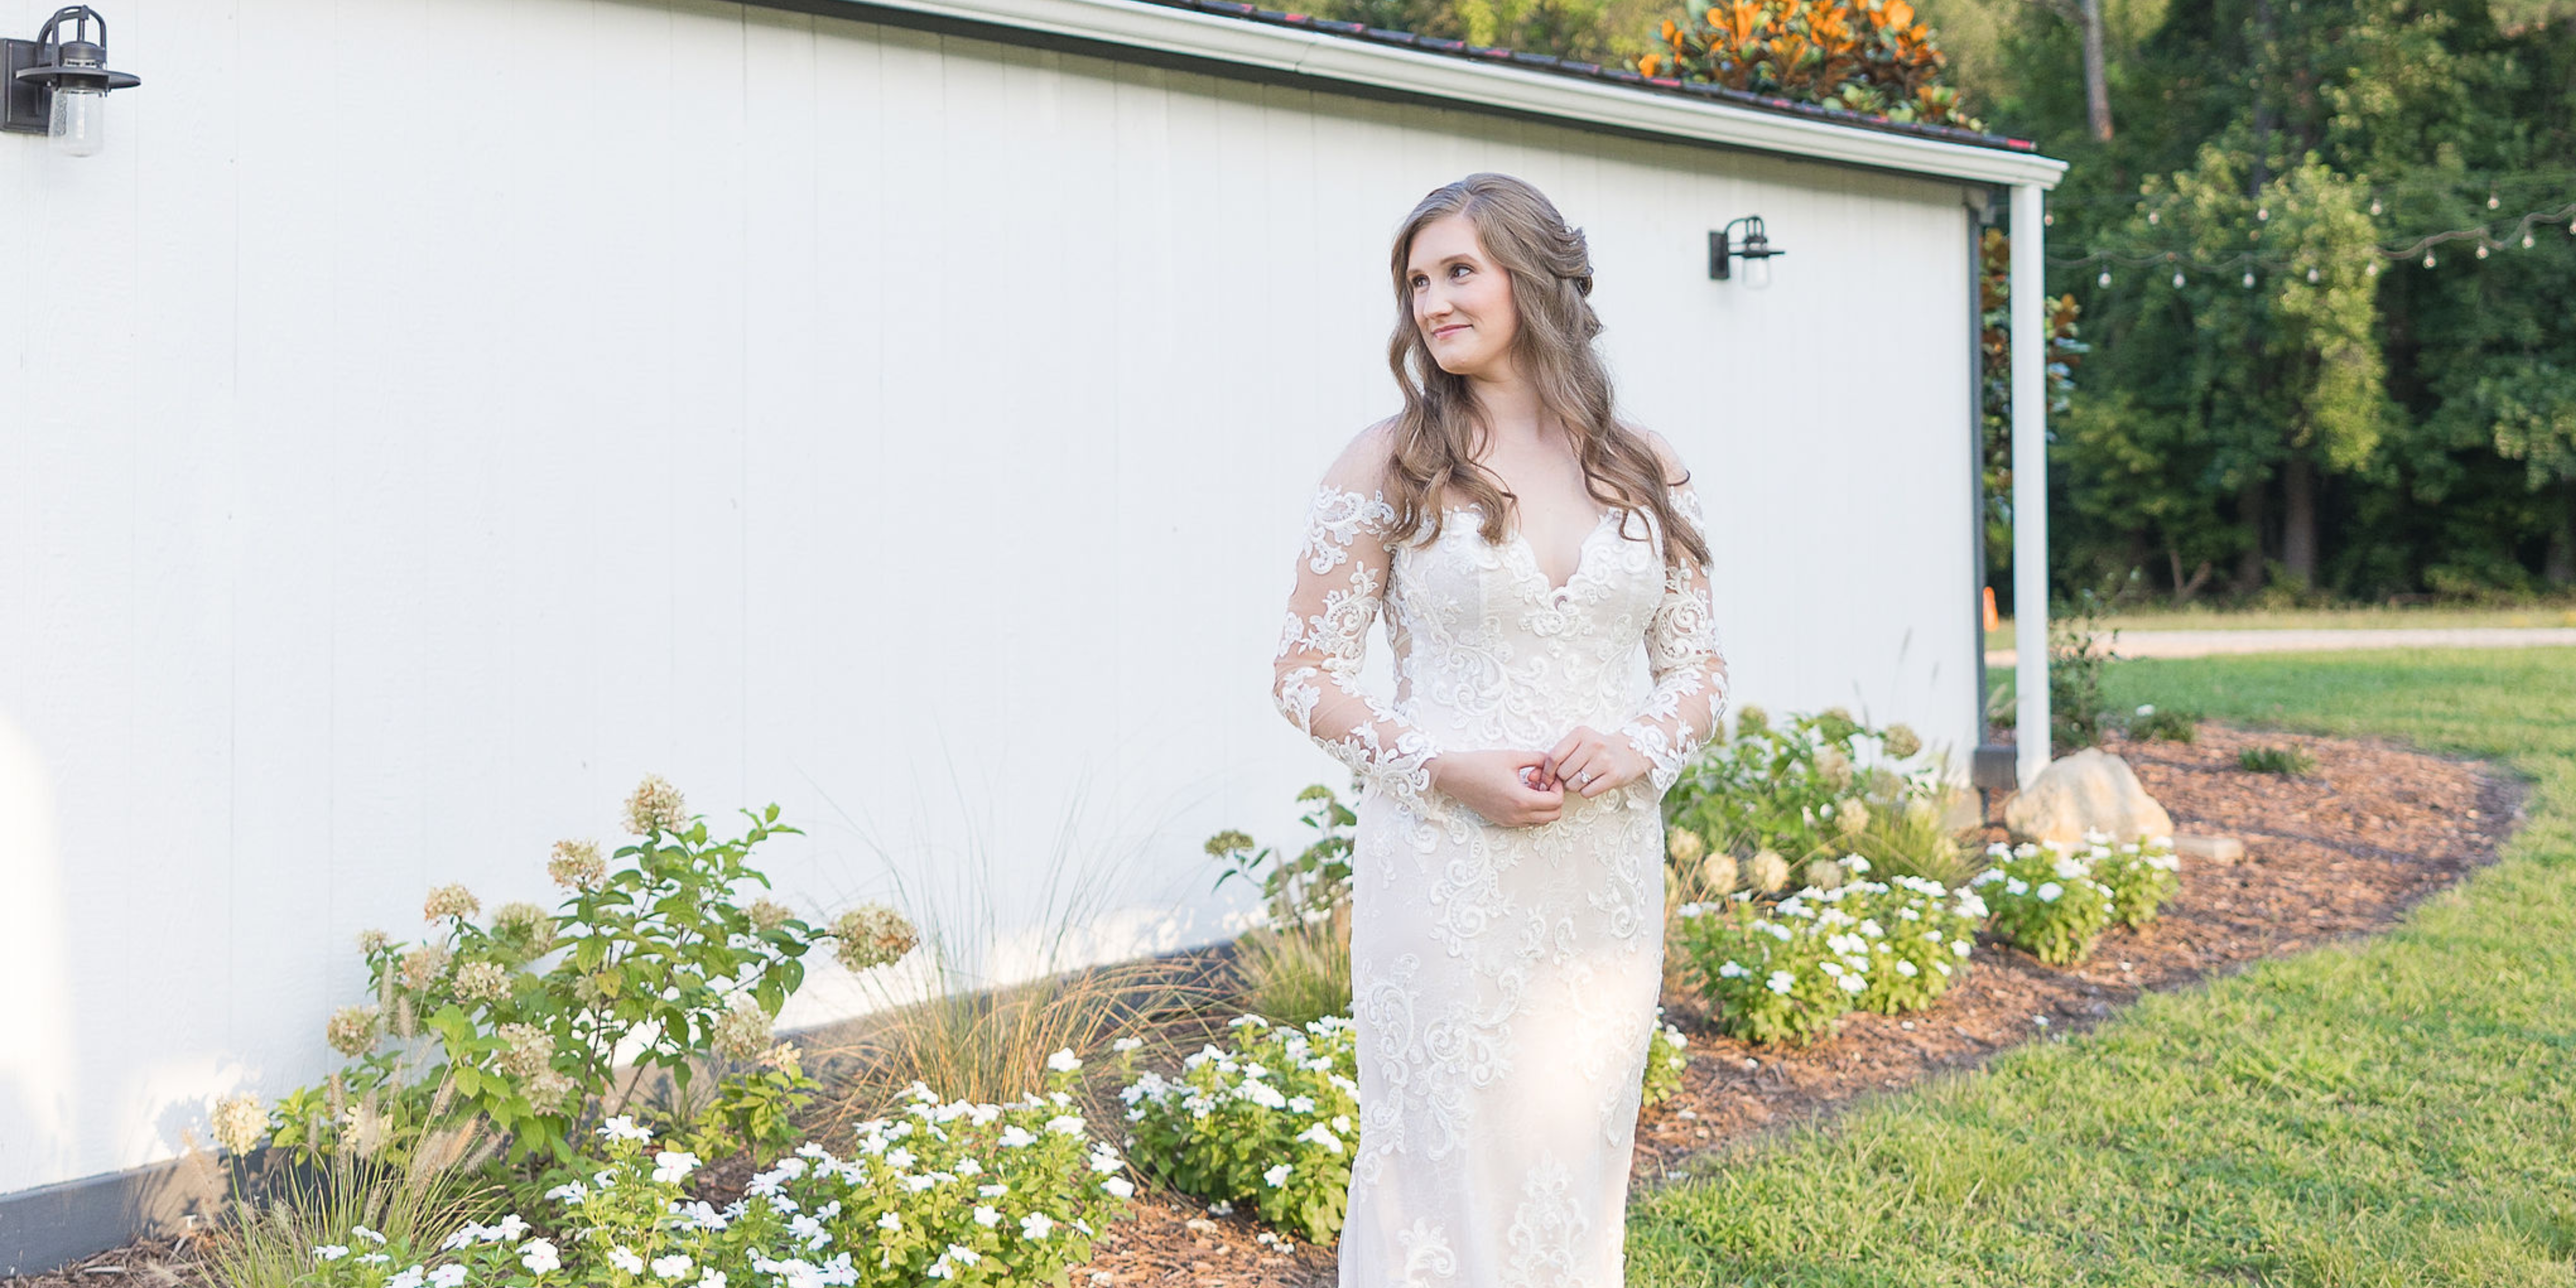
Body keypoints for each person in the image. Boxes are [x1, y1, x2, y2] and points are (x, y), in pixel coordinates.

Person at [1270, 172, 1730, 1286]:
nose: (1432, 300)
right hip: (1444, 864)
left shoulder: (1641, 465)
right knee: (1445, 1162)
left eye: (1459, 271)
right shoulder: (1391, 461)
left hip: (1601, 868)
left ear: (1533, 276)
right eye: (1417, 280)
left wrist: (1639, 744)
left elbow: (1700, 668)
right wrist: (1442, 766)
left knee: (1575, 1151)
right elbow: (1303, 674)